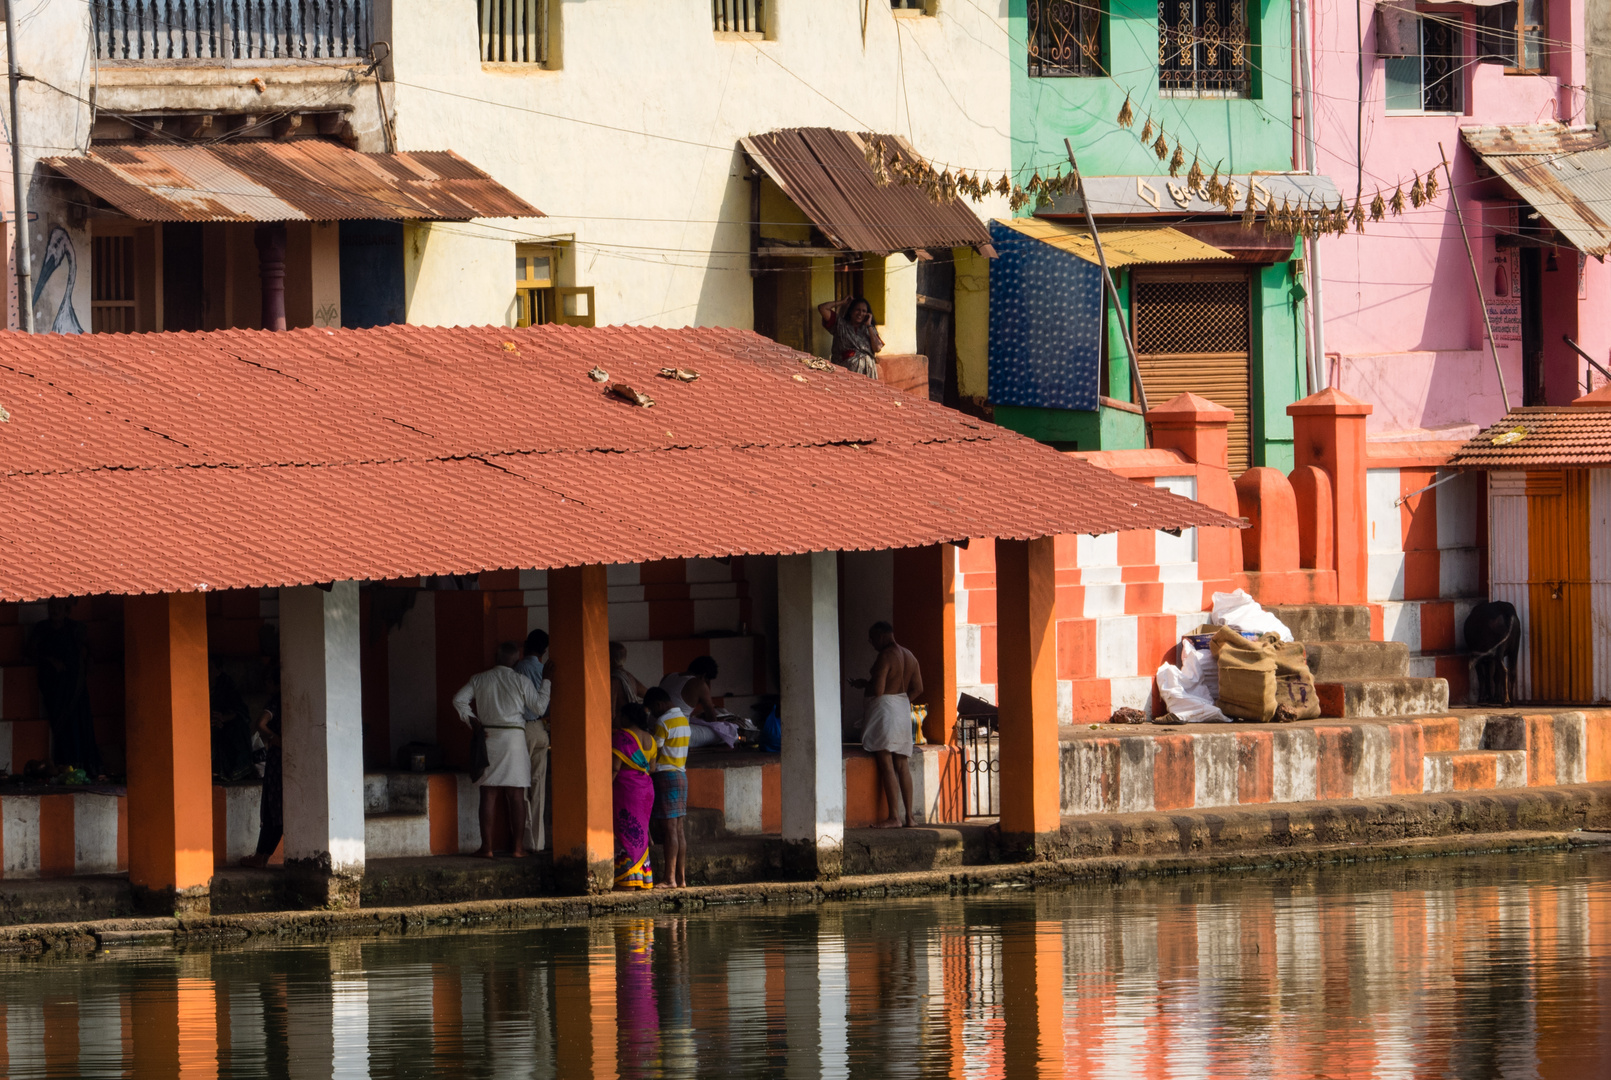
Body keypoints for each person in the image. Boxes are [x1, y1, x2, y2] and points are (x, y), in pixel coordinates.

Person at [452, 641, 549, 859]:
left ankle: (486, 848)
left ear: (496, 657)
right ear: (516, 660)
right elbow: (540, 707)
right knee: (516, 795)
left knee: (488, 792)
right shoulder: (520, 680)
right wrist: (548, 682)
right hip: (515, 738)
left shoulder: (479, 678)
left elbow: (458, 700)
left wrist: (474, 722)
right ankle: (518, 848)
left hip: (489, 738)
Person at [850, 621, 924, 829]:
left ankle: (894, 817)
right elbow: (918, 688)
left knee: (886, 763)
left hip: (885, 712)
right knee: (903, 765)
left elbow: (880, 690)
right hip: (902, 709)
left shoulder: (885, 656)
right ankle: (910, 817)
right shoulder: (910, 656)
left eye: (872, 638)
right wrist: (900, 701)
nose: (871, 643)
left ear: (883, 636)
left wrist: (870, 686)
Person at [27, 598, 103, 775]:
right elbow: (30, 652)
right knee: (60, 726)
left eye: (59, 608)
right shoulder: (42, 629)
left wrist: (90, 662)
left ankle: (83, 766)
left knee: (79, 722)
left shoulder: (75, 628)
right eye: (51, 607)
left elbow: (91, 647)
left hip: (75, 685)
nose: (54, 611)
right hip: (53, 686)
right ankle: (63, 765)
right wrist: (50, 661)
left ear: (67, 611)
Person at [512, 629, 554, 852]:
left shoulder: (518, 669)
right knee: (539, 787)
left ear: (525, 644)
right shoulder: (544, 670)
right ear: (544, 651)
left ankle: (525, 840)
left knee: (521, 785)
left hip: (523, 729)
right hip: (541, 729)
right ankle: (538, 842)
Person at [645, 687, 690, 889]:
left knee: (670, 829)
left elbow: (654, 750)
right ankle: (681, 879)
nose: (652, 714)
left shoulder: (663, 722)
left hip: (666, 775)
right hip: (681, 774)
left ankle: (669, 879)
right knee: (679, 830)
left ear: (659, 705)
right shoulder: (684, 720)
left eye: (652, 710)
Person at [611, 702, 659, 890]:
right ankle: (643, 877)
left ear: (626, 717)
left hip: (627, 789)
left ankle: (628, 878)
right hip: (646, 789)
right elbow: (652, 768)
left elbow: (615, 767)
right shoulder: (651, 739)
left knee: (625, 832)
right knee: (639, 831)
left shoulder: (622, 737)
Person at [241, 669, 282, 868]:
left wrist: (274, 738)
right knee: (279, 812)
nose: (265, 685)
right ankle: (263, 856)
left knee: (271, 809)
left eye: (268, 680)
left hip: (276, 762)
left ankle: (260, 856)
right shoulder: (289, 700)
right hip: (289, 762)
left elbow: (260, 723)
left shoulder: (275, 701)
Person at [817, 296, 884, 378]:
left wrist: (869, 325)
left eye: (864, 311)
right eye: (857, 310)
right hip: (844, 374)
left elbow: (877, 348)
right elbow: (822, 308)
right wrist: (841, 302)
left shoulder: (869, 330)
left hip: (867, 375)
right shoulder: (840, 325)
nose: (860, 313)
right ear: (851, 311)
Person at [610, 640, 648, 722]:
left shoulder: (614, 680)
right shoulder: (629, 677)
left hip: (619, 727)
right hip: (632, 725)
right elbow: (650, 696)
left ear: (610, 659)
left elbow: (611, 714)